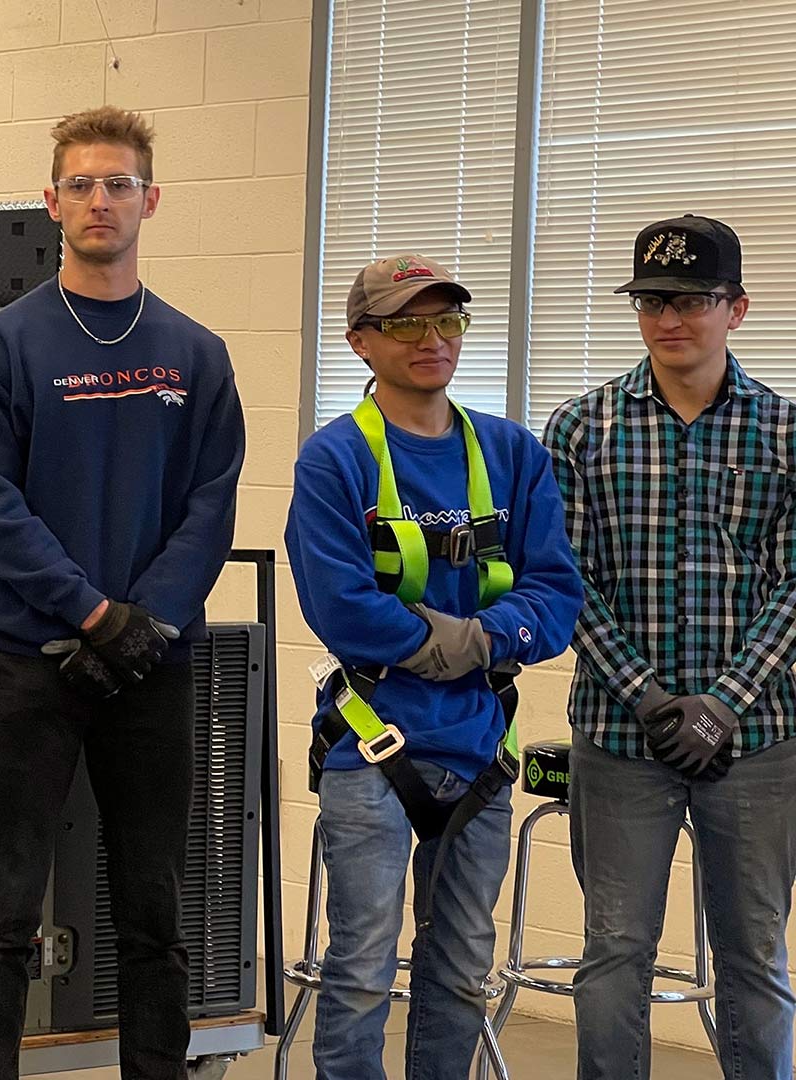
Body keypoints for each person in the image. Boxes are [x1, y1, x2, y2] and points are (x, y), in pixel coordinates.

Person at [0, 104, 245, 1080]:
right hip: (32, 662)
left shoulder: (195, 354)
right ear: (51, 201)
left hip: (152, 667)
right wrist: (91, 612)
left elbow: (210, 504)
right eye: (81, 183)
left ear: (151, 200)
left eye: (119, 183)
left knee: (154, 911)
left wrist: (146, 621)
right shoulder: (6, 347)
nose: (100, 200)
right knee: (4, 911)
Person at [284, 255, 582, 1079]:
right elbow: (340, 604)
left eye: (448, 321)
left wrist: (481, 644)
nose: (433, 340)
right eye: (407, 323)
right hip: (374, 753)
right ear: (361, 342)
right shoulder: (335, 461)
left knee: (457, 975)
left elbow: (557, 592)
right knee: (361, 972)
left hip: (480, 755)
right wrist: (456, 643)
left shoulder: (513, 454)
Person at [545, 214, 796, 1080]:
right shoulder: (581, 429)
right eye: (652, 300)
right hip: (622, 741)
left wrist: (725, 704)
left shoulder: (786, 433)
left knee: (755, 960)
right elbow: (564, 579)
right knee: (615, 953)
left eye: (692, 300)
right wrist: (652, 699)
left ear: (738, 308)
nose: (669, 319)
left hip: (760, 741)